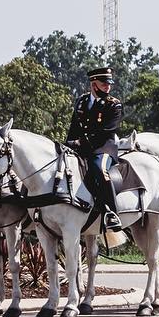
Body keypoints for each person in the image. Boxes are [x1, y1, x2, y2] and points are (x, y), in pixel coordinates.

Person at [67, 65, 124, 230]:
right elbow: (74, 128)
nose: (108, 86)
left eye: (109, 83)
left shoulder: (114, 105)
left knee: (100, 169)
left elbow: (105, 132)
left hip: (104, 148)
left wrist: (80, 143)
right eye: (104, 83)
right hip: (81, 148)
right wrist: (68, 143)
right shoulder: (82, 101)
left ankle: (112, 213)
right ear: (93, 84)